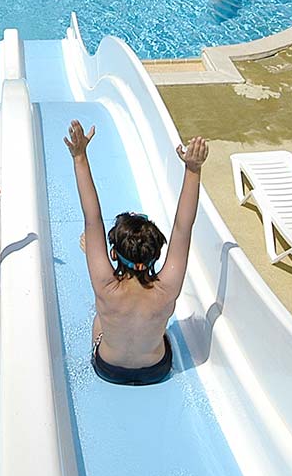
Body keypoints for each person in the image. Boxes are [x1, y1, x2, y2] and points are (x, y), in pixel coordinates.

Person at [65, 120, 208, 386]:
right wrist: (193, 169)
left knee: (99, 320)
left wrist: (79, 157)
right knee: (159, 330)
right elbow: (183, 228)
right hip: (155, 370)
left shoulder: (105, 285)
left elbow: (92, 218)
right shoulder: (167, 287)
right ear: (156, 255)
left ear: (113, 255)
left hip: (108, 369)